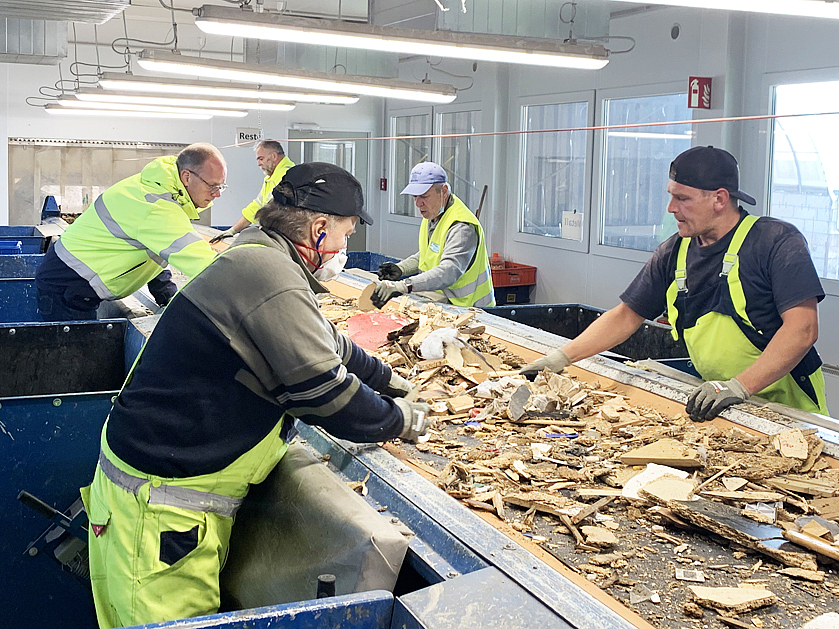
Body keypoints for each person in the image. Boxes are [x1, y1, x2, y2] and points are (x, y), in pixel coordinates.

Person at [81, 162, 430, 628]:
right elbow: (324, 394)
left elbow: (322, 337)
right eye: (345, 234)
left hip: (171, 497)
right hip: (160, 511)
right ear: (320, 228)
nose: (345, 248)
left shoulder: (259, 253)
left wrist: (386, 378)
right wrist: (401, 420)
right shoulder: (268, 272)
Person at [521, 146, 829, 421]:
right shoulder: (674, 252)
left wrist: (739, 386)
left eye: (682, 198)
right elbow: (626, 315)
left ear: (719, 199)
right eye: (671, 196)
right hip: (718, 402)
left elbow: (802, 330)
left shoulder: (775, 242)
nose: (671, 208)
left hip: (788, 411)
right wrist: (560, 358)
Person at [35, 143, 225, 321]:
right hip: (64, 286)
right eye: (213, 186)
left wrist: (167, 296)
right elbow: (206, 265)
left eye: (221, 187)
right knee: (74, 353)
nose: (217, 194)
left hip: (71, 283)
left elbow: (154, 252)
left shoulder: (162, 190)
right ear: (186, 177)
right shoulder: (155, 205)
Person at [371, 161, 495, 309]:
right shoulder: (432, 214)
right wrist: (401, 268)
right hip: (442, 303)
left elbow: (449, 271)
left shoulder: (462, 227)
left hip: (472, 311)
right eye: (414, 197)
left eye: (424, 196)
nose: (418, 204)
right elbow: (430, 253)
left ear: (443, 191)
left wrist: (404, 286)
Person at [210, 139, 294, 243]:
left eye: (261, 159)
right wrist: (233, 230)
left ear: (274, 156)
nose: (259, 164)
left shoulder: (286, 175)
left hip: (285, 238)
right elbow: (256, 206)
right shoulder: (273, 177)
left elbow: (272, 210)